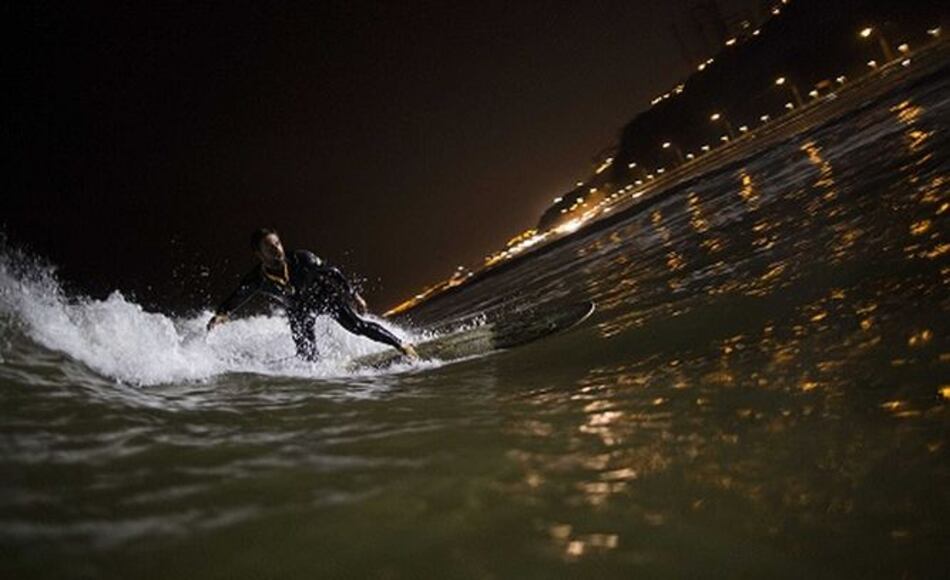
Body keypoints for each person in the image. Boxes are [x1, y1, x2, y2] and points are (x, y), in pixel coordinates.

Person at [207, 228, 417, 361]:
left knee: (357, 326)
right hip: (298, 309)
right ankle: (322, 378)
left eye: (277, 244)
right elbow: (238, 295)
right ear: (259, 254)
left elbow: (332, 272)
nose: (277, 250)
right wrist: (222, 314)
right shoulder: (257, 278)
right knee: (306, 353)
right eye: (269, 248)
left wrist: (354, 295)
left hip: (324, 298)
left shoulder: (302, 259)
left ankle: (402, 345)